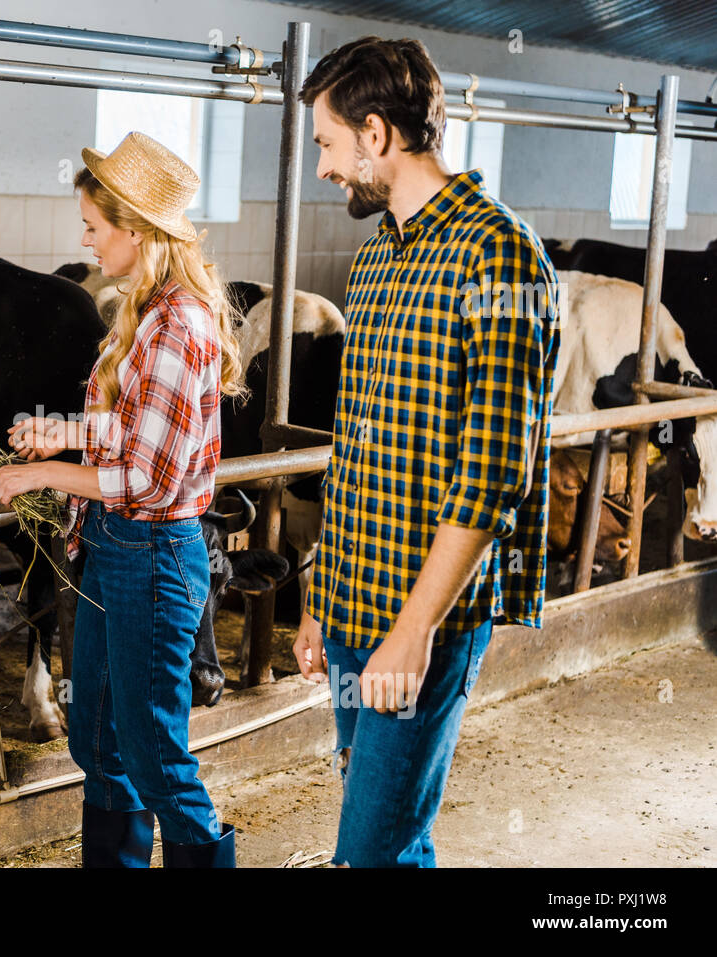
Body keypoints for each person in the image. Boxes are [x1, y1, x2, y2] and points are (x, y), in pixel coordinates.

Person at [291, 37, 560, 867]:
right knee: (388, 833)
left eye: (328, 144)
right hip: (350, 599)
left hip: (423, 618)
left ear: (376, 133)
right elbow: (357, 448)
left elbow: (493, 476)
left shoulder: (499, 252)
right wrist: (317, 595)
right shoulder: (374, 261)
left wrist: (413, 631)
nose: (326, 168)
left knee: (368, 849)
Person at [0, 131, 247, 867]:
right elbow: (131, 429)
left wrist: (40, 474)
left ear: (133, 230)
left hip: (153, 554)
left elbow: (151, 478)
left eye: (95, 228)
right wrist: (59, 430)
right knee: (96, 738)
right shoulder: (148, 311)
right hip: (113, 544)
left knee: (155, 753)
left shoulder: (175, 326)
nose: (86, 241)